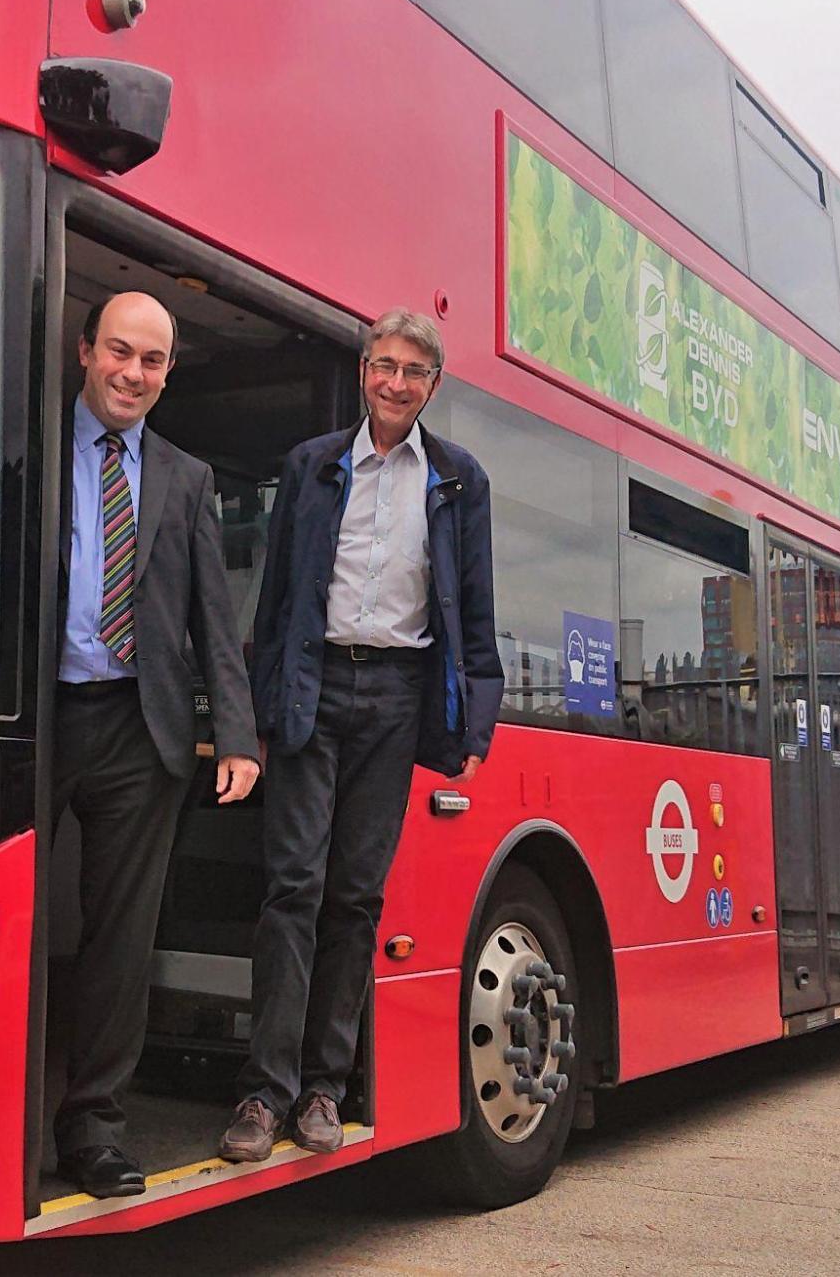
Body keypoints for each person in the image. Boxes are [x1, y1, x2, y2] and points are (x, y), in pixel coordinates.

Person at [219, 308, 503, 1162]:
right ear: (362, 371)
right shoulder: (311, 467)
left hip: (396, 694)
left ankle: (321, 1090)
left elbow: (475, 606)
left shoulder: (458, 479)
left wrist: (475, 717)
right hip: (312, 686)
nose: (395, 382)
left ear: (432, 386)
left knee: (354, 895)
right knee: (291, 886)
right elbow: (273, 607)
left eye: (413, 371)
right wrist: (260, 713)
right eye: (384, 365)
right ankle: (263, 1094)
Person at [54, 290, 260, 1198]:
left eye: (152, 361)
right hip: (33, 719)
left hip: (145, 731)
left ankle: (93, 1128)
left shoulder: (185, 477)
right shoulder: (21, 442)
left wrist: (237, 735)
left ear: (169, 372)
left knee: (118, 942)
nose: (133, 373)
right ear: (84, 350)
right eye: (120, 353)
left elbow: (216, 619)